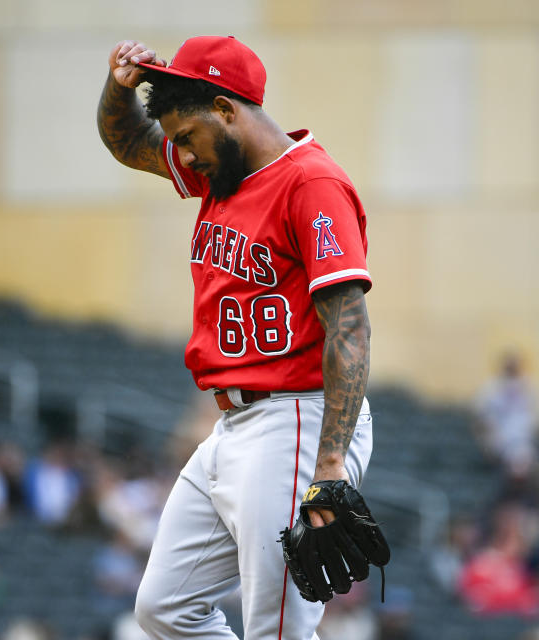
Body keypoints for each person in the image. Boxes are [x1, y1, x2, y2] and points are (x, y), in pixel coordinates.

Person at [97, 36, 376, 639]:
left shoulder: (311, 184)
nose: (183, 156)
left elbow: (349, 325)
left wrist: (329, 465)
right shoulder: (221, 175)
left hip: (295, 421)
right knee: (163, 608)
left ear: (226, 110)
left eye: (187, 138)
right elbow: (125, 143)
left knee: (276, 629)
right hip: (231, 428)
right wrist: (117, 89)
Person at [473, 351, 539, 477]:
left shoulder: (528, 387)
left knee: (523, 463)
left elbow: (535, 418)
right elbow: (480, 417)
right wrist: (486, 441)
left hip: (523, 442)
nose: (512, 366)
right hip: (497, 443)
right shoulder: (491, 387)